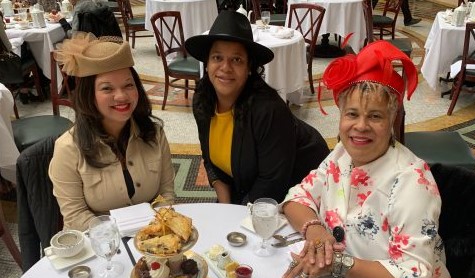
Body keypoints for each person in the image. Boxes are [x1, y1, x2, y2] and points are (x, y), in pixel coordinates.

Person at [280, 40, 458, 278]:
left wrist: (336, 263)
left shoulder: (412, 183)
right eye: (352, 114)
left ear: (392, 120)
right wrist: (316, 231)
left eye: (375, 116)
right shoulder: (341, 157)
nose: (360, 126)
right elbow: (296, 198)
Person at [184, 11, 330, 205]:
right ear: (207, 63)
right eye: (217, 57)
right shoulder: (202, 100)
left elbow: (272, 183)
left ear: (250, 68)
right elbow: (211, 160)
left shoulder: (269, 110)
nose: (225, 67)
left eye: (236, 60)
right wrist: (225, 206)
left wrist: (236, 218)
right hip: (248, 186)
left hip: (302, 186)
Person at [49, 32, 175, 231]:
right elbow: (75, 215)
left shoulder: (154, 133)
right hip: (98, 243)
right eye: (107, 89)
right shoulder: (67, 148)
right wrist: (118, 237)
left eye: (128, 85)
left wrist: (154, 234)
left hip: (152, 236)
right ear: (89, 95)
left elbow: (166, 194)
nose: (121, 96)